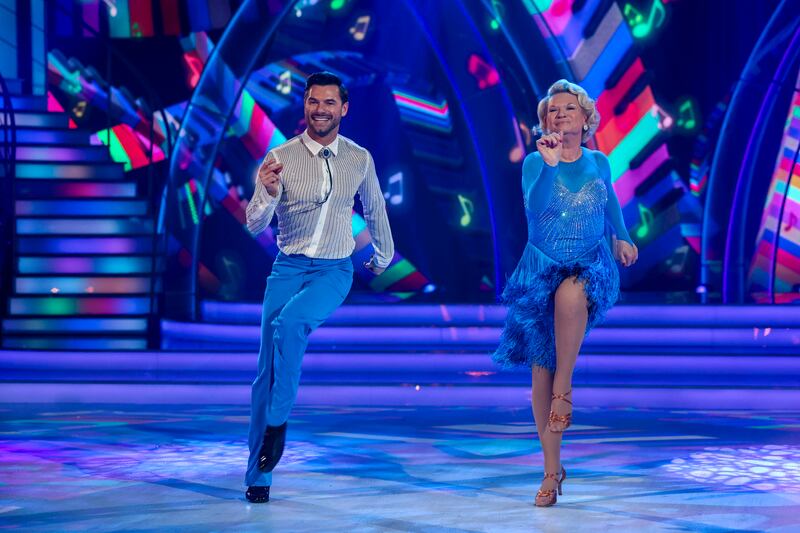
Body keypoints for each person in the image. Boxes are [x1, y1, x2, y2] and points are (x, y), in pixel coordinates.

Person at [243, 71, 394, 503]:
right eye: (314, 101)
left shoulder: (359, 158)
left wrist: (382, 256)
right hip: (288, 267)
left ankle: (277, 422)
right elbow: (253, 224)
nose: (321, 109)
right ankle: (259, 476)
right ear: (305, 105)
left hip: (333, 270)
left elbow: (376, 207)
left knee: (291, 323)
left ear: (343, 108)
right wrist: (268, 194)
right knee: (265, 374)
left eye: (329, 102)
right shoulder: (280, 156)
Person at [493, 79, 638, 507]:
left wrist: (623, 237)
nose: (559, 116)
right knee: (540, 369)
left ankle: (565, 388)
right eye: (552, 111)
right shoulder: (536, 163)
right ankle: (552, 471)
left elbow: (609, 202)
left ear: (585, 118)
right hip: (540, 270)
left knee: (571, 296)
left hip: (589, 263)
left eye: (568, 110)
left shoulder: (599, 161)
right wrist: (551, 164)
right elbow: (535, 208)